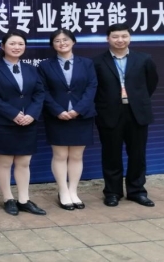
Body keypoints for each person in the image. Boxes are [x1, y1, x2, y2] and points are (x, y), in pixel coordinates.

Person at [92, 23, 159, 207]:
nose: (120, 40)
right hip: (109, 113)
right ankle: (112, 192)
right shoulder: (97, 62)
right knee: (111, 155)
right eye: (115, 37)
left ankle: (137, 191)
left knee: (137, 154)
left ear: (129, 38)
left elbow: (151, 83)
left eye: (124, 36)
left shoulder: (144, 59)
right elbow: (95, 88)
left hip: (136, 112)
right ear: (108, 39)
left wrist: (136, 100)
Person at [0, 31, 46, 216]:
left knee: (24, 162)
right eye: (12, 44)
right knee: (4, 162)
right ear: (3, 47)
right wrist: (13, 114)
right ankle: (8, 198)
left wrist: (32, 114)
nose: (17, 47)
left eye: (20, 44)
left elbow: (39, 93)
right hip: (3, 122)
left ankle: (24, 200)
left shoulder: (31, 69)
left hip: (28, 123)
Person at [38, 29, 97, 210]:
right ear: (52, 44)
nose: (62, 43)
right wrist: (57, 110)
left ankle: (73, 191)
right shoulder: (45, 65)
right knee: (60, 155)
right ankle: (63, 191)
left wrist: (78, 110)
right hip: (57, 116)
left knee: (77, 156)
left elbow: (92, 87)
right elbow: (43, 91)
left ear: (73, 42)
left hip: (82, 116)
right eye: (57, 40)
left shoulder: (86, 63)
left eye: (65, 40)